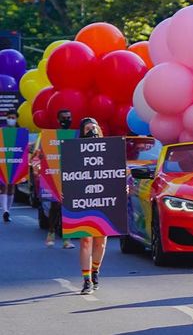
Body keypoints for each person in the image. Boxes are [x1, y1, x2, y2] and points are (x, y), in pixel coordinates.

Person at [76, 117, 108, 295]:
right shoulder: (74, 153)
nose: (91, 131)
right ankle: (86, 279)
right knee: (86, 241)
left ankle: (95, 271)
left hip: (103, 201)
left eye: (94, 127)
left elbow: (116, 173)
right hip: (83, 200)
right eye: (87, 128)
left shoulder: (109, 151)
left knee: (100, 242)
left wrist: (122, 188)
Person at [45, 109, 75, 248]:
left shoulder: (76, 135)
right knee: (55, 206)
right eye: (64, 118)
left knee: (68, 207)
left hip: (72, 175)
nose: (67, 120)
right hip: (56, 175)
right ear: (58, 120)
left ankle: (66, 239)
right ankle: (51, 232)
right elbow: (42, 154)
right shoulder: (50, 137)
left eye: (69, 117)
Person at [2, 109, 19, 222]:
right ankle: (5, 211)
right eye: (9, 117)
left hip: (15, 162)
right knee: (4, 186)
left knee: (12, 187)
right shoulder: (2, 131)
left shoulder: (20, 132)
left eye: (13, 118)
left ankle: (8, 210)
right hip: (3, 162)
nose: (11, 119)